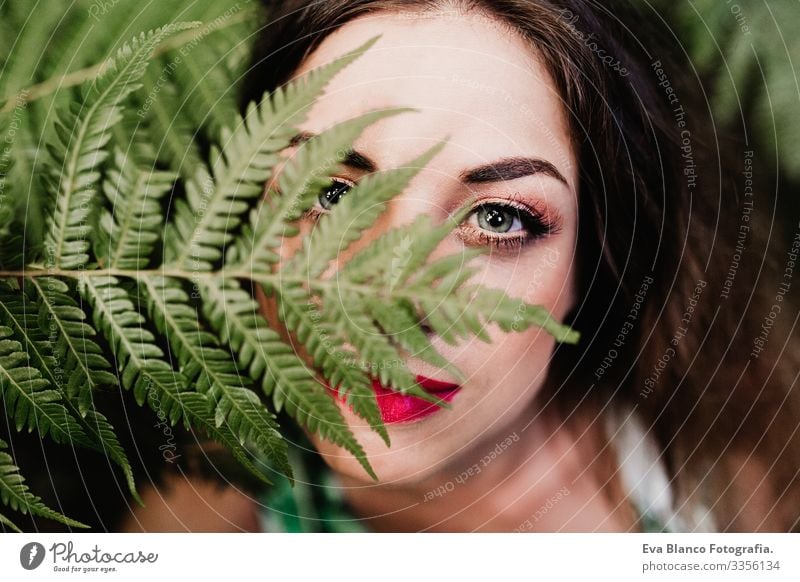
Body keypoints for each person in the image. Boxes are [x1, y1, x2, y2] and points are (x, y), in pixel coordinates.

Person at [124, 0, 798, 533]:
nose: (387, 298)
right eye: (327, 195)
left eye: (498, 218)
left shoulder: (730, 451)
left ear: (593, 254)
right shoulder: (202, 534)